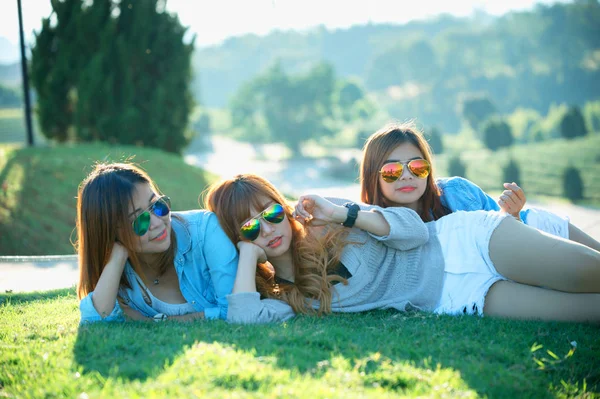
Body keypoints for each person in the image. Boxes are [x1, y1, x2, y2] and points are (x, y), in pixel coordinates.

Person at [203, 173, 600, 325]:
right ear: (238, 237)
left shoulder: (328, 221)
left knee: (590, 273)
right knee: (585, 312)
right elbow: (242, 318)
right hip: (455, 299)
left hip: (468, 243)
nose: (268, 229)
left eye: (271, 213)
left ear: (283, 206)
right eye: (250, 226)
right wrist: (249, 257)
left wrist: (345, 213)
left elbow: (414, 231)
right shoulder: (290, 298)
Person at [360, 122, 600, 251]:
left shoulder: (456, 192)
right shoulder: (372, 224)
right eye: (392, 171)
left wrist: (513, 214)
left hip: (535, 229)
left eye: (417, 167)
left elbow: (510, 238)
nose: (406, 176)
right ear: (373, 177)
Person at [76, 162, 239, 324]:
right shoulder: (116, 271)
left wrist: (157, 322)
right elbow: (95, 321)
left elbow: (235, 310)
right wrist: (118, 256)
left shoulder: (206, 230)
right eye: (139, 221)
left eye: (157, 205)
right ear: (111, 233)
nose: (157, 223)